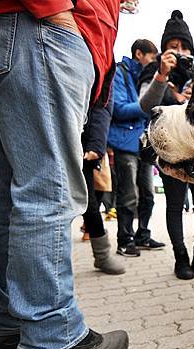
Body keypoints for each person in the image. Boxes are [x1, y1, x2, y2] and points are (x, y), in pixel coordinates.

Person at [0, 0, 128, 349]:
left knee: (10, 193)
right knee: (48, 190)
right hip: (38, 28)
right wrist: (56, 12)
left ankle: (2, 324)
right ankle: (53, 337)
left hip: (9, 30)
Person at [138, 10, 194, 280]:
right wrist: (162, 76)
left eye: (184, 47)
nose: (180, 52)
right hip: (169, 149)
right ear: (163, 50)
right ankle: (180, 257)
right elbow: (145, 106)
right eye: (173, 47)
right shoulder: (153, 73)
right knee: (174, 203)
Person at [108, 39, 167, 257]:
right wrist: (146, 107)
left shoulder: (147, 77)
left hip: (144, 143)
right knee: (128, 194)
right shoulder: (120, 73)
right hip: (124, 142)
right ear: (139, 54)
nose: (154, 61)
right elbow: (119, 109)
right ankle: (125, 240)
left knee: (148, 195)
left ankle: (143, 235)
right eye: (152, 57)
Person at [82, 92, 125, 275]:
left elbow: (103, 104)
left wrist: (97, 144)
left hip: (82, 145)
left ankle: (102, 255)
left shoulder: (102, 64)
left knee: (90, 202)